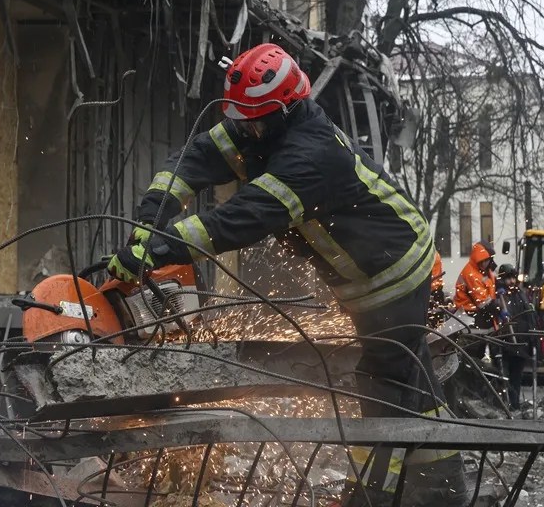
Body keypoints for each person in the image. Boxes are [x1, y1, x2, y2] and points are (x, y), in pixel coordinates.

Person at [107, 43, 467, 506]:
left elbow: (240, 218)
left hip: (389, 273)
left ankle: (371, 497)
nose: (243, 128)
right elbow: (193, 159)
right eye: (240, 119)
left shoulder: (310, 157)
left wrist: (157, 250)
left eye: (252, 120)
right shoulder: (258, 124)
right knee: (413, 381)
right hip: (371, 268)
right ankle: (442, 488)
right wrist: (147, 223)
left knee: (383, 382)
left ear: (284, 109)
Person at [495, 264, 537, 410]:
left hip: (521, 343)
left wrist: (532, 340)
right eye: (508, 278)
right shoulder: (498, 295)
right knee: (503, 378)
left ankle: (514, 405)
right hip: (505, 344)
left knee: (516, 378)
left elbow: (529, 317)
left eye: (513, 278)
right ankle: (504, 406)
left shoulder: (521, 294)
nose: (512, 281)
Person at [454, 241, 497, 328]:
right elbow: (483, 303)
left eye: (487, 260)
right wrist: (498, 306)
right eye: (484, 260)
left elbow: (491, 287)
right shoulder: (470, 274)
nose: (485, 263)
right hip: (468, 313)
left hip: (479, 311)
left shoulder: (484, 271)